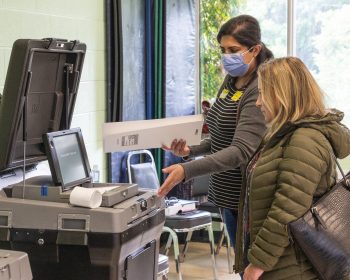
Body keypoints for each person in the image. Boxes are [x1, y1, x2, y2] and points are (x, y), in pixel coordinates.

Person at [158, 14, 273, 249]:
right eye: (223, 49)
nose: (227, 57)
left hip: (247, 199)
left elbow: (241, 150)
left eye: (234, 50)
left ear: (255, 49)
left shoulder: (259, 88)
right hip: (225, 193)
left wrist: (186, 170)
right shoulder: (232, 80)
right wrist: (192, 150)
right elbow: (222, 135)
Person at [235, 57, 350, 280]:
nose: (258, 102)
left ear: (283, 95)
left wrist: (258, 263)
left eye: (262, 93)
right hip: (285, 262)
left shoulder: (304, 140)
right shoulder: (283, 136)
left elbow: (285, 210)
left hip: (294, 267)